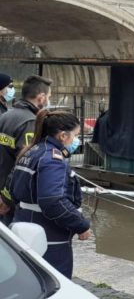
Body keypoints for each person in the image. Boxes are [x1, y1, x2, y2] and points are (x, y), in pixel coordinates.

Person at [10, 110, 91, 279]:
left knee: (29, 279)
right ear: (63, 136)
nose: (76, 140)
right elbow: (53, 201)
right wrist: (81, 224)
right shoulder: (52, 159)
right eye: (75, 135)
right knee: (54, 283)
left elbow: (13, 189)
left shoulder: (31, 151)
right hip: (48, 236)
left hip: (24, 225)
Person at [0, 75, 52, 224]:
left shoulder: (6, 116)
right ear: (41, 98)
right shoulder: (30, 122)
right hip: (13, 199)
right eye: (48, 96)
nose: (48, 100)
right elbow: (24, 164)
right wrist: (6, 198)